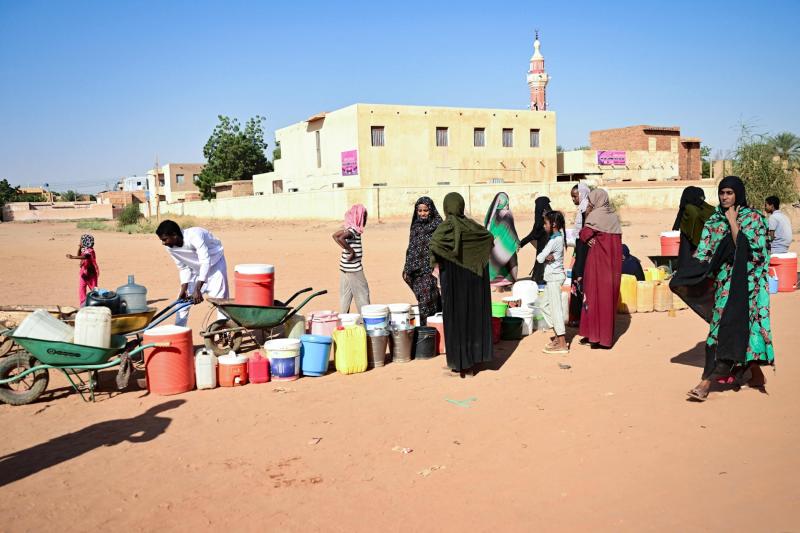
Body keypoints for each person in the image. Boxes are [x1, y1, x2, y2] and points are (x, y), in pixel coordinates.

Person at [671, 176, 774, 401]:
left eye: (729, 193)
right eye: (722, 193)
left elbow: (750, 252)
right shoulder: (714, 220)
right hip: (724, 286)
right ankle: (754, 375)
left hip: (749, 288)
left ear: (738, 194)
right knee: (721, 329)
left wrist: (733, 222)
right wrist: (686, 274)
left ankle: (705, 384)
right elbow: (704, 253)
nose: (725, 197)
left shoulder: (754, 218)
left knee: (742, 330)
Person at [430, 192, 494, 377]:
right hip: (474, 282)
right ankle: (472, 363)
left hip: (453, 281)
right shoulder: (474, 226)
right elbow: (488, 238)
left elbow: (434, 245)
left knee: (456, 320)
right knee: (472, 319)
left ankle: (459, 364)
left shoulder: (446, 227)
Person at [156, 220, 229, 327]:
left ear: (174, 235)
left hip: (215, 265)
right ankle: (179, 333)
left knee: (220, 301)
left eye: (165, 239)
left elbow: (205, 261)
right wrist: (184, 289)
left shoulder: (194, 236)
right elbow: (183, 267)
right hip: (195, 269)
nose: (163, 243)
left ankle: (224, 331)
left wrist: (197, 289)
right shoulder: (170, 247)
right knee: (181, 304)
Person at [577, 189, 623, 348]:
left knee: (592, 297)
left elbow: (583, 234)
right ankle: (604, 338)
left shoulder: (595, 216)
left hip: (597, 264)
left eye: (591, 201)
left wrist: (587, 222)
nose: (589, 203)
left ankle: (593, 336)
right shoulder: (614, 217)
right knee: (607, 300)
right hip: (612, 266)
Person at [402, 197, 443, 325]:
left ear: (431, 210)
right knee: (424, 300)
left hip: (429, 270)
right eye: (419, 210)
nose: (422, 213)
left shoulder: (438, 226)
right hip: (414, 270)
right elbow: (411, 247)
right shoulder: (415, 225)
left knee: (427, 300)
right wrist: (407, 267)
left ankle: (428, 329)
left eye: (425, 210)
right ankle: (430, 330)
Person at [537, 211, 568, 354]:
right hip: (552, 277)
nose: (544, 226)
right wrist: (545, 257)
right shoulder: (557, 238)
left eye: (546, 223)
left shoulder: (554, 240)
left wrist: (545, 257)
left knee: (556, 310)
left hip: (555, 277)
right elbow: (543, 257)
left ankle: (562, 342)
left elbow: (540, 258)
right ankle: (557, 334)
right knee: (544, 306)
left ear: (553, 224)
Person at [333, 204, 371, 314]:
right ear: (358, 217)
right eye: (364, 217)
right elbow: (340, 238)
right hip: (354, 269)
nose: (365, 219)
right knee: (363, 294)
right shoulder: (353, 231)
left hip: (344, 267)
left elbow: (335, 236)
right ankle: (367, 321)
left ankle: (343, 319)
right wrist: (351, 251)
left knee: (345, 296)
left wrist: (348, 248)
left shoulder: (349, 229)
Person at [484, 192, 521, 287]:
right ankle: (512, 281)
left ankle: (499, 283)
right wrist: (516, 241)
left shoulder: (492, 214)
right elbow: (511, 229)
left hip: (495, 243)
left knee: (497, 261)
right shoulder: (507, 213)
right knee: (512, 261)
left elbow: (488, 227)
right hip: (509, 243)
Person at [673, 186, 715, 269]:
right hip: (698, 240)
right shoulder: (691, 208)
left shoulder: (694, 207)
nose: (702, 199)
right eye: (701, 197)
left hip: (695, 240)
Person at [569, 182, 591, 325]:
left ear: (582, 194)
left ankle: (580, 316)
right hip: (580, 246)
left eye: (575, 196)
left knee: (579, 277)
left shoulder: (585, 209)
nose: (573, 199)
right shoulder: (582, 208)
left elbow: (584, 232)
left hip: (583, 247)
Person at [520, 196, 552, 284]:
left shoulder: (544, 217)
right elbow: (533, 234)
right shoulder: (541, 221)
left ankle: (537, 278)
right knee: (541, 257)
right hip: (544, 240)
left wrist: (521, 243)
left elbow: (533, 235)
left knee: (542, 257)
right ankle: (537, 278)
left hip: (546, 240)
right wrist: (521, 243)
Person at [66, 234, 99, 306]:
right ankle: (82, 304)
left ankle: (97, 303)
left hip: (91, 275)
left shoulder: (90, 251)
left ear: (85, 241)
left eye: (81, 240)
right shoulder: (84, 249)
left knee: (94, 290)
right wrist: (79, 247)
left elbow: (85, 256)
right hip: (83, 273)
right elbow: (80, 255)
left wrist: (73, 257)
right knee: (81, 289)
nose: (80, 241)